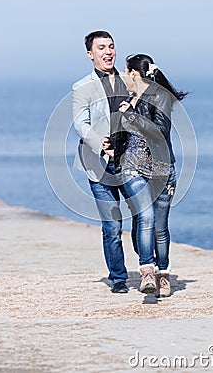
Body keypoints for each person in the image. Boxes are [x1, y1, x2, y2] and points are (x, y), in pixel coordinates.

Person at [118, 54, 188, 297]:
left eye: (126, 72)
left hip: (161, 169)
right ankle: (146, 271)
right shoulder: (126, 99)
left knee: (159, 227)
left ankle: (163, 274)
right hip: (132, 168)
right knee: (145, 217)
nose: (124, 76)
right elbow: (126, 134)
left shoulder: (161, 97)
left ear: (134, 74)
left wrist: (132, 116)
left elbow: (160, 131)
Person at [72, 30, 130, 293]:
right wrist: (100, 142)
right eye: (101, 48)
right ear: (90, 54)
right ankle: (118, 278)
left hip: (132, 162)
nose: (108, 52)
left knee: (144, 216)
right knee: (112, 225)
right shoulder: (81, 87)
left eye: (111, 46)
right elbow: (79, 123)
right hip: (99, 164)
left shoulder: (131, 81)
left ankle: (147, 262)